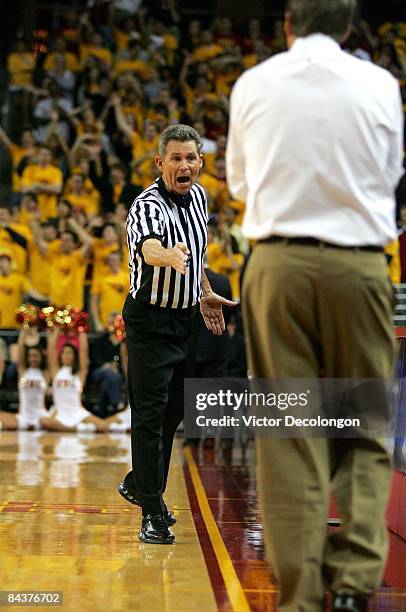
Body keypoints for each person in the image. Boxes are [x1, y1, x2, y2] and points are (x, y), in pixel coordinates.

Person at [226, 1, 404, 611]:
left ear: (287, 22)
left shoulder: (253, 84)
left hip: (277, 264)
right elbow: (389, 178)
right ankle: (354, 587)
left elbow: (241, 186)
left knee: (288, 432)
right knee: (365, 425)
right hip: (359, 265)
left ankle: (300, 598)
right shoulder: (381, 84)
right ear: (350, 25)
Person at [118, 124, 237, 545]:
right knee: (149, 417)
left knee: (174, 414)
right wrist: (166, 256)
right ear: (160, 163)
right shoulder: (146, 206)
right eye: (176, 158)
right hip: (149, 322)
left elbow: (198, 255)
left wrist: (204, 292)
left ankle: (140, 483)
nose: (184, 165)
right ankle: (151, 510)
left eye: (191, 158)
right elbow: (150, 248)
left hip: (185, 319)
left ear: (200, 163)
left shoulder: (201, 198)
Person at [40, 327, 110, 433]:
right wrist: (58, 327)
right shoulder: (56, 372)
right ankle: (76, 429)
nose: (65, 355)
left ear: (74, 356)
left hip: (77, 411)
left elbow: (83, 350)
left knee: (103, 426)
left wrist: (79, 327)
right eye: (63, 352)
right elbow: (52, 348)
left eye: (69, 353)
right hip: (60, 412)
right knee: (43, 421)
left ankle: (71, 428)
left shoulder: (80, 373)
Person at [0, 328, 48, 431]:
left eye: (36, 356)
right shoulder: (23, 371)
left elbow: (52, 352)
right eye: (30, 356)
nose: (33, 358)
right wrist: (25, 327)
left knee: (47, 421)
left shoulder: (45, 373)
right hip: (23, 417)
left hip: (41, 417)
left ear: (41, 357)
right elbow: (21, 347)